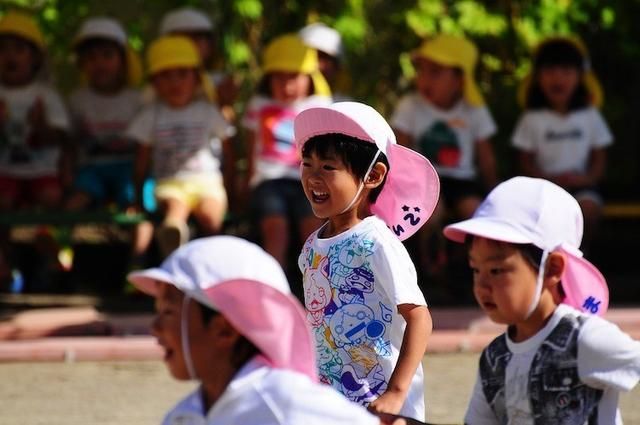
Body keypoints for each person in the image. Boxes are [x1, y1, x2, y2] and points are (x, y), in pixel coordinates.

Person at [127, 235, 421, 425]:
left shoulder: (287, 401)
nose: (154, 328)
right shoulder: (183, 416)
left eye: (167, 312)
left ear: (224, 331)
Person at [443, 176, 640, 424]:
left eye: (496, 270)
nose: (482, 285)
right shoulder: (494, 358)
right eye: (475, 269)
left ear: (553, 268)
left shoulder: (585, 339)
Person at [295, 101, 440, 421]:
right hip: (334, 407)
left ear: (373, 175)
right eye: (307, 164)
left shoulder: (376, 242)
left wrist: (397, 393)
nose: (313, 177)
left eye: (328, 168)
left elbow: (419, 318)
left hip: (383, 407)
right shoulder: (311, 247)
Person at [391, 34, 498, 279]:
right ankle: (430, 269)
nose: (425, 79)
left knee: (475, 212)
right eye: (422, 71)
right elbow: (400, 152)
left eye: (436, 72)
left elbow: (486, 157)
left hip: (463, 180)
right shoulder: (410, 105)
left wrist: (493, 193)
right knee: (430, 213)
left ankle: (468, 268)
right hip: (424, 178)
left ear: (460, 79)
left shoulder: (474, 109)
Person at [126, 35, 235, 259]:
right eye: (166, 75)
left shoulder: (208, 111)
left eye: (182, 74)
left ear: (196, 78)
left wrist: (232, 190)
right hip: (169, 183)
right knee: (175, 208)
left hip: (208, 183)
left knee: (211, 218)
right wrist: (136, 197)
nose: (174, 82)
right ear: (154, 82)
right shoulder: (151, 115)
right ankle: (174, 242)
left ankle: (212, 262)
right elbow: (142, 159)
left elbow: (229, 153)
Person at [512, 36, 612, 255]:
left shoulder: (590, 116)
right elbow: (524, 162)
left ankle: (580, 256)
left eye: (566, 71)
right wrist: (547, 179)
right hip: (543, 189)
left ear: (580, 77)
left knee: (589, 210)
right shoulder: (532, 118)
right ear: (537, 77)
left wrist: (586, 179)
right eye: (549, 71)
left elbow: (599, 159)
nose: (558, 78)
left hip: (583, 186)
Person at [241, 33, 331, 272]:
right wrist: (246, 183)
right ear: (267, 79)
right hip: (268, 181)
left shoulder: (320, 105)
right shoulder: (258, 106)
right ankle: (276, 285)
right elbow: (251, 148)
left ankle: (318, 286)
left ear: (310, 78)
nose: (287, 85)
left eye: (294, 77)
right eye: (278, 77)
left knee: (313, 230)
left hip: (308, 179)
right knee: (275, 228)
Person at [0, 11, 71, 290]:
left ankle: (53, 261)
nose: (10, 57)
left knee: (50, 198)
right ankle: (4, 263)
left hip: (41, 171)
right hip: (5, 171)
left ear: (35, 58)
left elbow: (62, 138)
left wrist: (41, 127)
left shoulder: (47, 94)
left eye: (19, 49)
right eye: (3, 49)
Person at [65, 17, 145, 211]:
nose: (99, 63)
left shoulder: (138, 99)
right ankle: (59, 240)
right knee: (75, 203)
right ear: (82, 64)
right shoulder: (77, 100)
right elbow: (70, 142)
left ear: (123, 61)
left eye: (107, 55)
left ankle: (143, 243)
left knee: (136, 204)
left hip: (130, 170)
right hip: (91, 170)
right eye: (91, 58)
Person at [159, 7, 237, 122]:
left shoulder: (221, 82)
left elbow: (227, 124)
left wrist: (223, 103)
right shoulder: (156, 85)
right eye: (182, 38)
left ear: (210, 44)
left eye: (198, 37)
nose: (191, 45)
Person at [299, 22, 350, 101]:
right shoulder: (276, 107)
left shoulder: (346, 106)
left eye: (324, 58)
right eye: (312, 56)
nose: (317, 65)